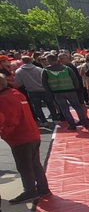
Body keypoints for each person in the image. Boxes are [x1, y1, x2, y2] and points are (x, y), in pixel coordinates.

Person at [0, 74, 51, 204]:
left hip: (20, 136)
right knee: (34, 163)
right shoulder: (16, 94)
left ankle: (30, 191)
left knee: (24, 166)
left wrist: (3, 131)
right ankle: (42, 188)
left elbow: (9, 120)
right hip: (31, 133)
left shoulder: (4, 99)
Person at [41, 54, 89, 130]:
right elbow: (75, 79)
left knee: (64, 109)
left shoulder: (46, 71)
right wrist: (76, 88)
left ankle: (72, 125)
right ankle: (85, 122)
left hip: (57, 92)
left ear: (49, 61)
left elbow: (44, 84)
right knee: (77, 107)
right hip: (71, 90)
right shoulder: (66, 68)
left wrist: (50, 92)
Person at [14, 55, 58, 125]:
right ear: (31, 60)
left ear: (22, 61)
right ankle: (55, 119)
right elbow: (46, 79)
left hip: (32, 91)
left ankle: (44, 121)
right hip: (43, 89)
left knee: (37, 107)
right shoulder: (39, 69)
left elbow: (18, 83)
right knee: (50, 105)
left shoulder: (19, 71)